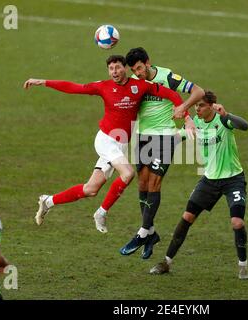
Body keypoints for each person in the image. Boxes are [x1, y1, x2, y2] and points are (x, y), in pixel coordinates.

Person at [23, 55, 185, 232]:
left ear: (125, 68)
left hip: (120, 144)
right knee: (128, 173)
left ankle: (48, 201)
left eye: (117, 67)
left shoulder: (139, 86)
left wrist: (183, 113)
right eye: (111, 69)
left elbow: (170, 94)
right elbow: (74, 87)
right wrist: (43, 82)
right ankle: (101, 212)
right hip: (106, 140)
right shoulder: (104, 86)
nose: (114, 72)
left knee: (91, 189)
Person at [149, 91, 248, 279]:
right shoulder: (195, 123)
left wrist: (226, 114)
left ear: (212, 106)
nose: (197, 108)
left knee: (237, 222)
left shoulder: (222, 121)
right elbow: (178, 136)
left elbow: (245, 126)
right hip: (209, 180)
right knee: (187, 217)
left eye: (201, 105)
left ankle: (243, 267)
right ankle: (166, 262)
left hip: (233, 179)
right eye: (196, 105)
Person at [119, 47, 204, 259]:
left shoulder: (168, 76)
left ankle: (142, 233)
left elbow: (199, 92)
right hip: (143, 137)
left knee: (154, 184)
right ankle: (150, 233)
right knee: (142, 184)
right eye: (134, 70)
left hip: (166, 137)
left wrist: (184, 110)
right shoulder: (134, 82)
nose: (137, 73)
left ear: (148, 62)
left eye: (140, 68)